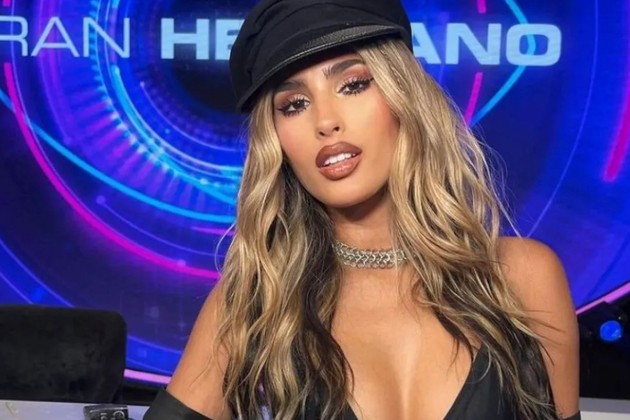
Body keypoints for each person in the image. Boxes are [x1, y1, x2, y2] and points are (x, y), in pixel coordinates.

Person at [144, 0, 580, 418]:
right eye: (294, 105)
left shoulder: (523, 278)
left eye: (352, 85)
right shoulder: (259, 303)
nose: (325, 121)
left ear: (403, 96)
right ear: (275, 139)